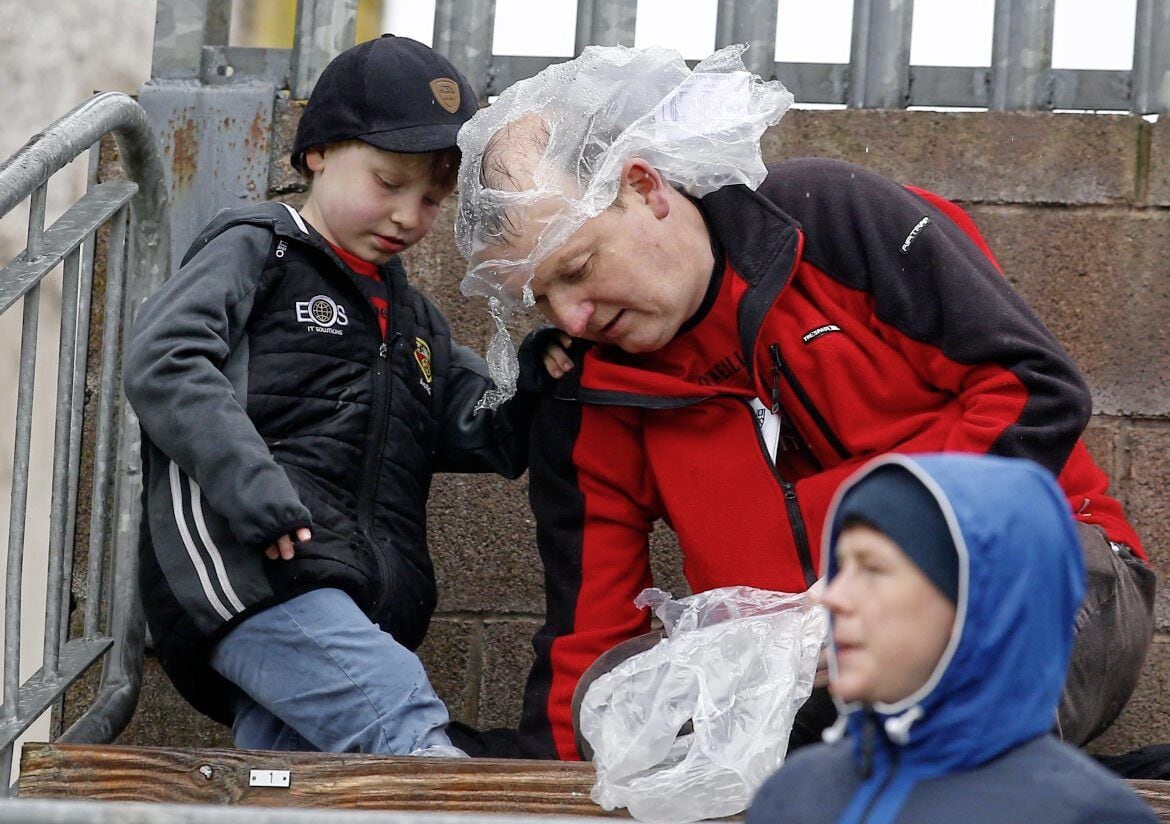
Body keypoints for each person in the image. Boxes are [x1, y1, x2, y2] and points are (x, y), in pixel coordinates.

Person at [449, 45, 1156, 761]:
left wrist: (891, 581)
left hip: (1036, 578)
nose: (570, 317)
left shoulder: (835, 221)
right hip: (796, 666)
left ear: (645, 187)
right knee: (623, 698)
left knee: (950, 673)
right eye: (542, 297)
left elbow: (1034, 387)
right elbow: (587, 630)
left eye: (578, 268)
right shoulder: (585, 388)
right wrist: (554, 810)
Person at [123, 35, 552, 755]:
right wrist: (254, 490)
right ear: (318, 152)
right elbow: (164, 361)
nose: (409, 216)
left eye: (432, 199)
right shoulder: (260, 246)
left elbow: (485, 428)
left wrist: (549, 373)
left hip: (353, 598)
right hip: (256, 567)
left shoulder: (414, 319)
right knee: (404, 728)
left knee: (292, 793)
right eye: (388, 183)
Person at [732, 453, 1165, 824]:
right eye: (839, 567)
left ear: (979, 601)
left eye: (874, 570)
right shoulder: (789, 798)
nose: (831, 599)